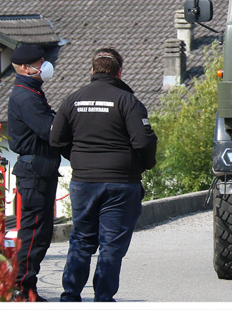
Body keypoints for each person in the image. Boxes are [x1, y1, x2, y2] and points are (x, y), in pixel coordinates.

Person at [49, 47, 157, 302]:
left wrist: (79, 158)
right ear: (120, 72)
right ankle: (103, 298)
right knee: (111, 245)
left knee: (82, 239)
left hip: (84, 182)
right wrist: (143, 165)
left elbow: (55, 140)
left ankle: (70, 295)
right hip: (121, 183)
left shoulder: (71, 99)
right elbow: (143, 141)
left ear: (92, 70)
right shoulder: (127, 101)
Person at [7, 44, 60, 302]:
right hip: (34, 172)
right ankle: (21, 289)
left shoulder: (31, 92)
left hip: (39, 170)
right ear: (27, 68)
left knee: (41, 232)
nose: (45, 66)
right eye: (40, 62)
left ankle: (27, 287)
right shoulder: (26, 97)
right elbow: (50, 130)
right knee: (34, 233)